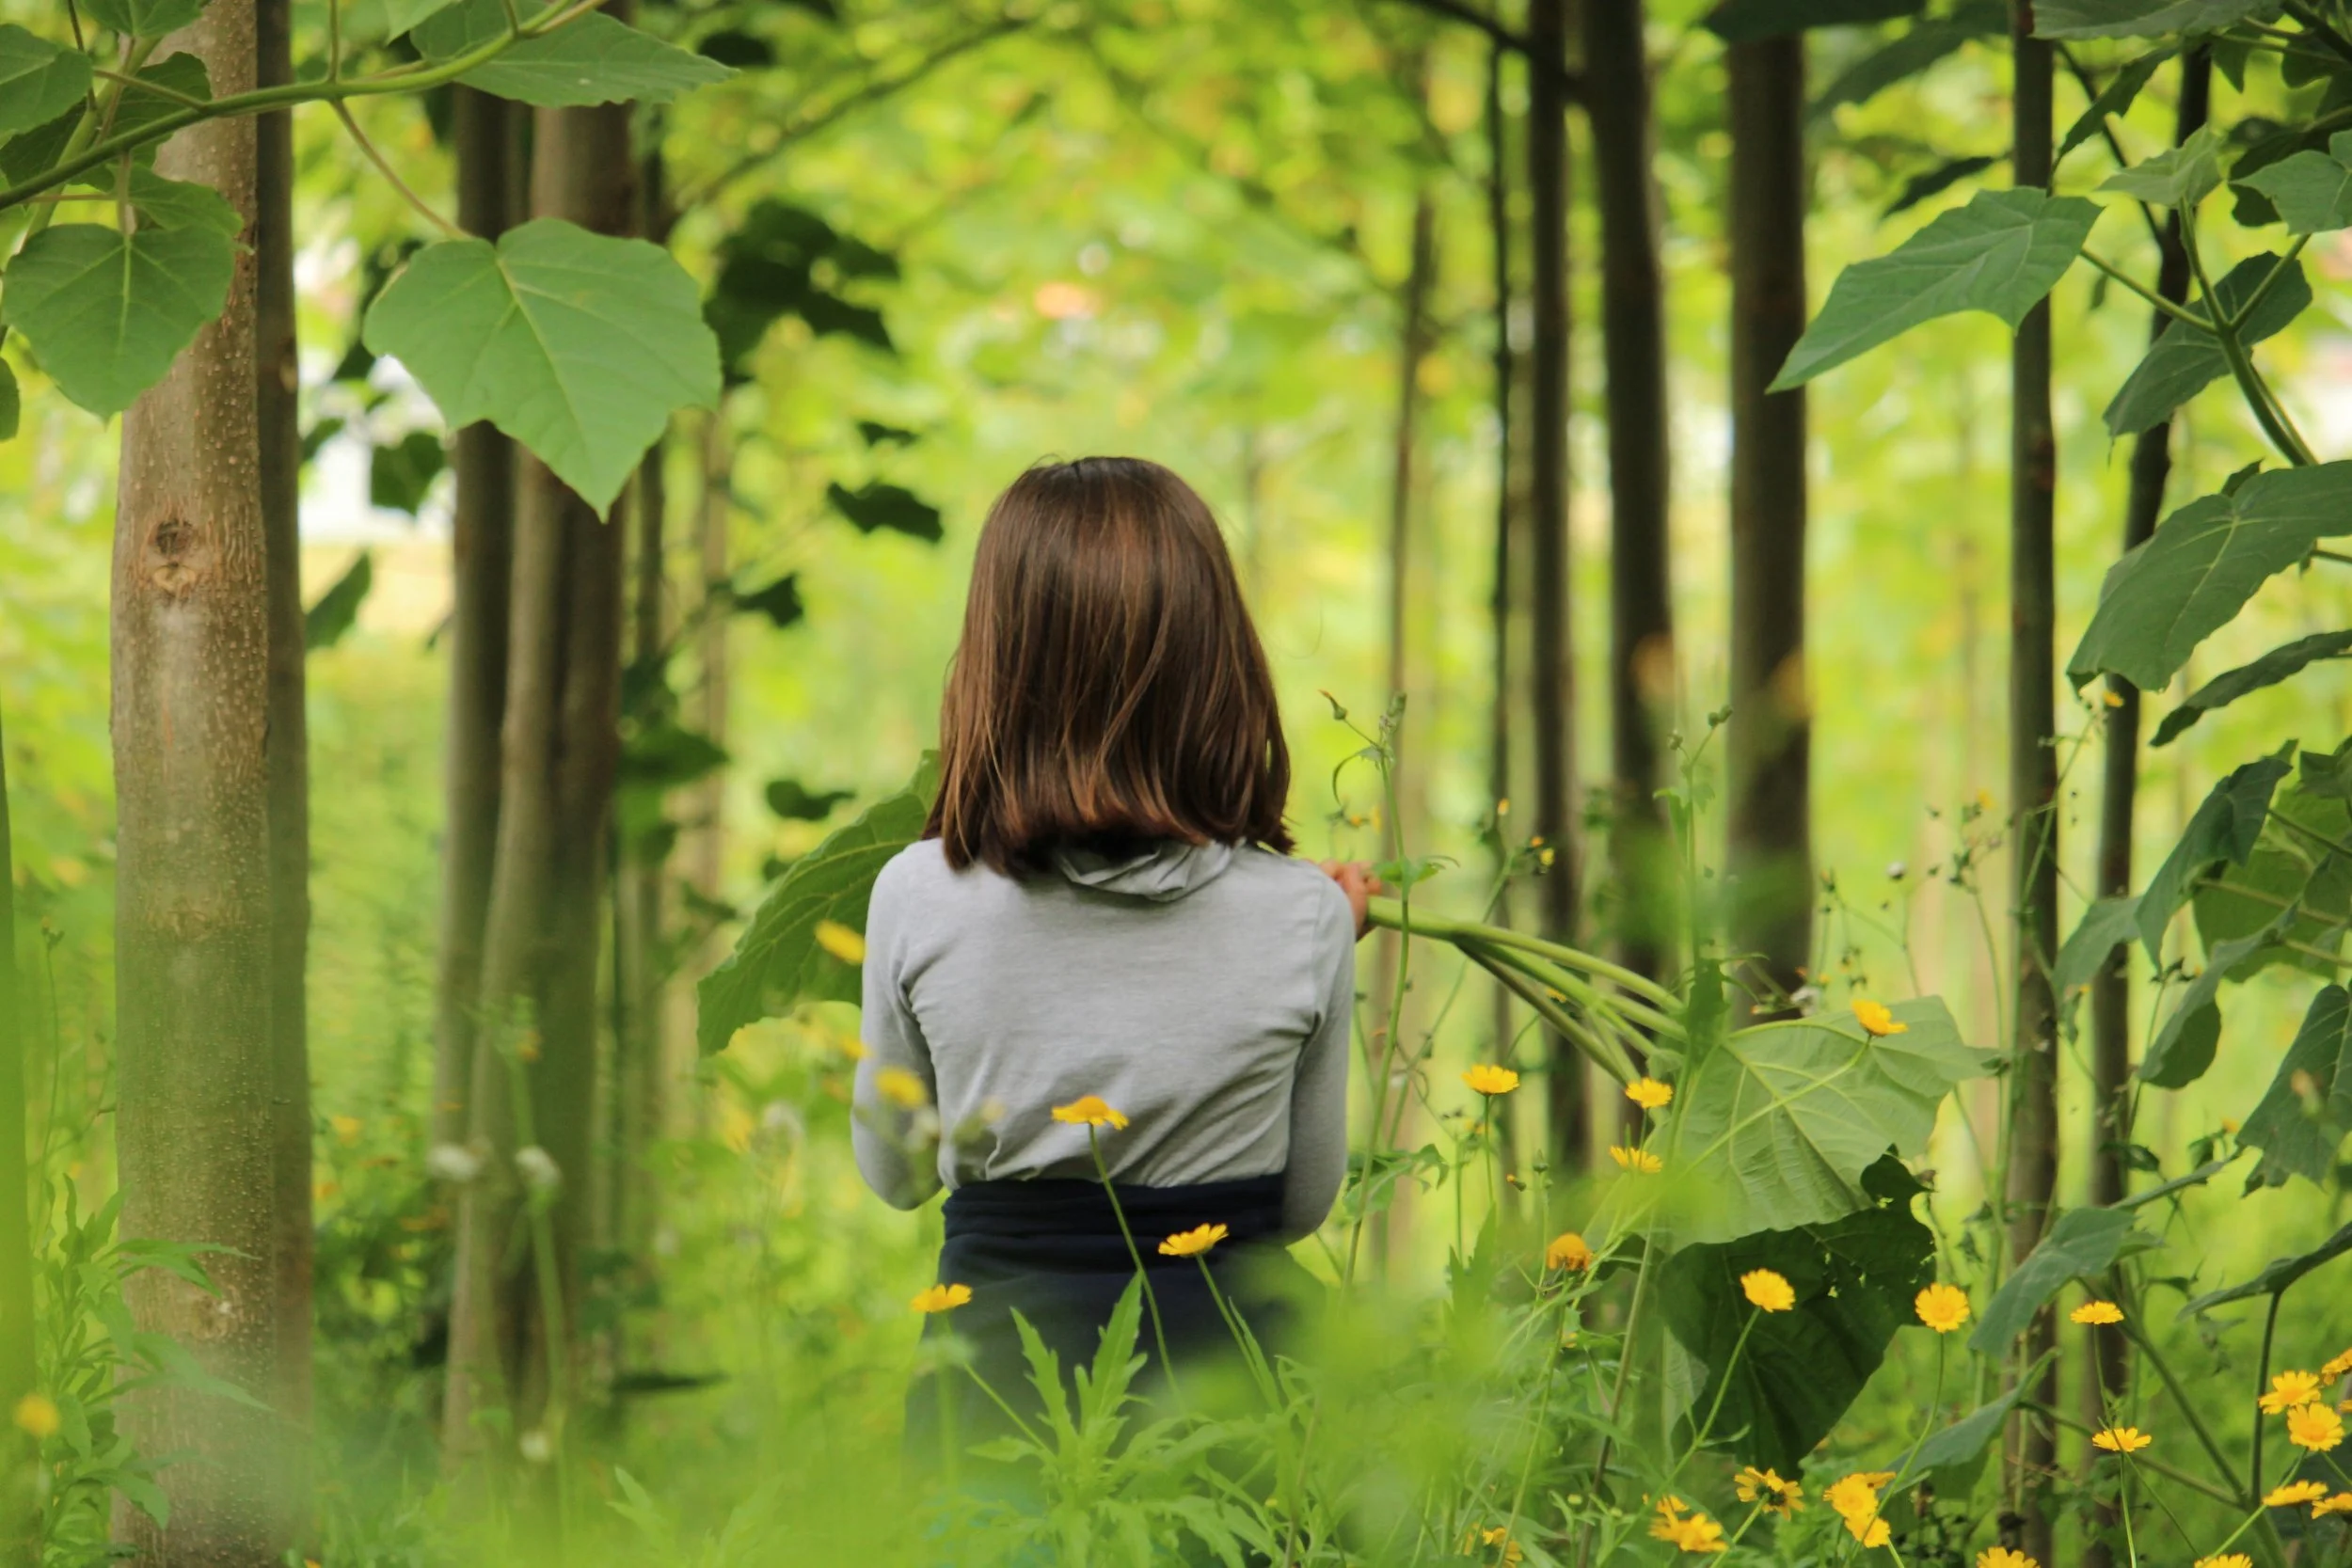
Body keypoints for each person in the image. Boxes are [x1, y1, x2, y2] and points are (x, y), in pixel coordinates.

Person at [850, 455, 1378, 1459]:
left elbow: (896, 1172)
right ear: (1218, 666)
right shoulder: (1306, 916)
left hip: (990, 1407)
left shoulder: (914, 894)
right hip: (1232, 1421)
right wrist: (1314, 936)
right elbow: (1298, 1206)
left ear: (996, 663)